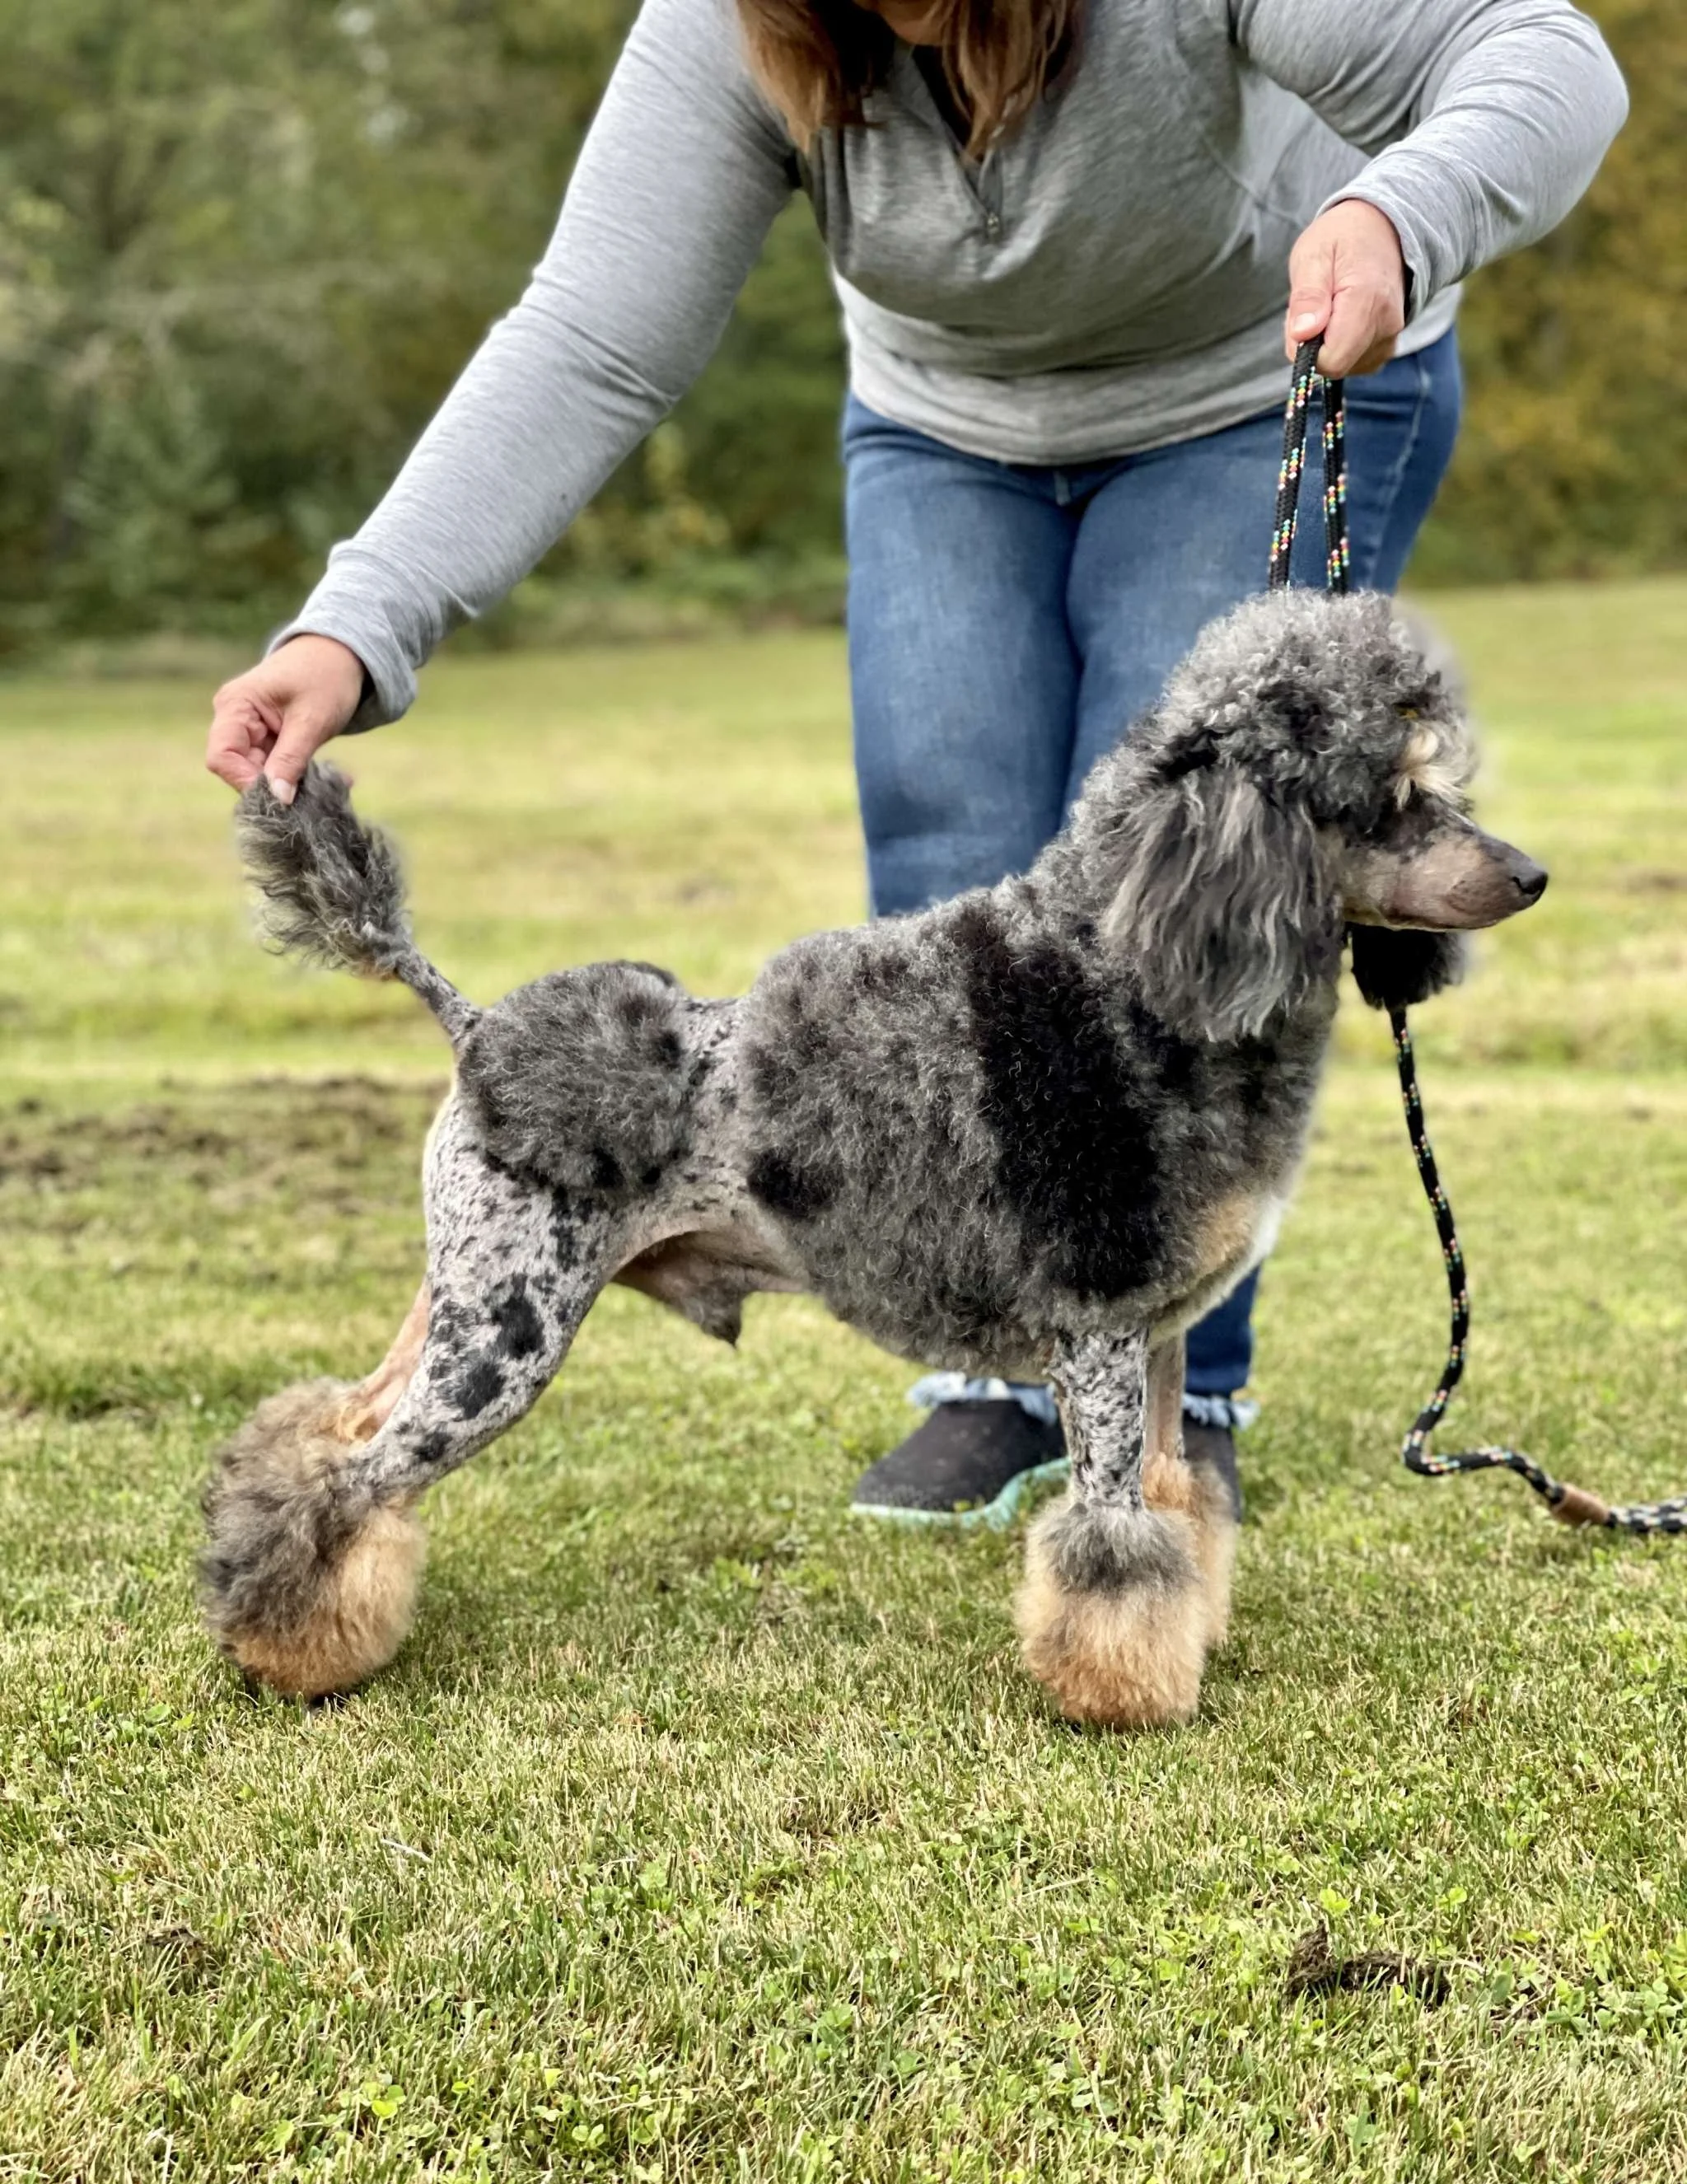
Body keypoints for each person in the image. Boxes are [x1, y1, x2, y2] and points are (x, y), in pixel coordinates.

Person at [204, 0, 1625, 1525]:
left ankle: (1177, 1403)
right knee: (949, 909)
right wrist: (357, 625)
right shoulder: (728, 28)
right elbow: (593, 338)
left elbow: (1548, 59)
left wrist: (1400, 204)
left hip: (1247, 382)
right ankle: (995, 1383)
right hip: (949, 426)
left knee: (1181, 917)